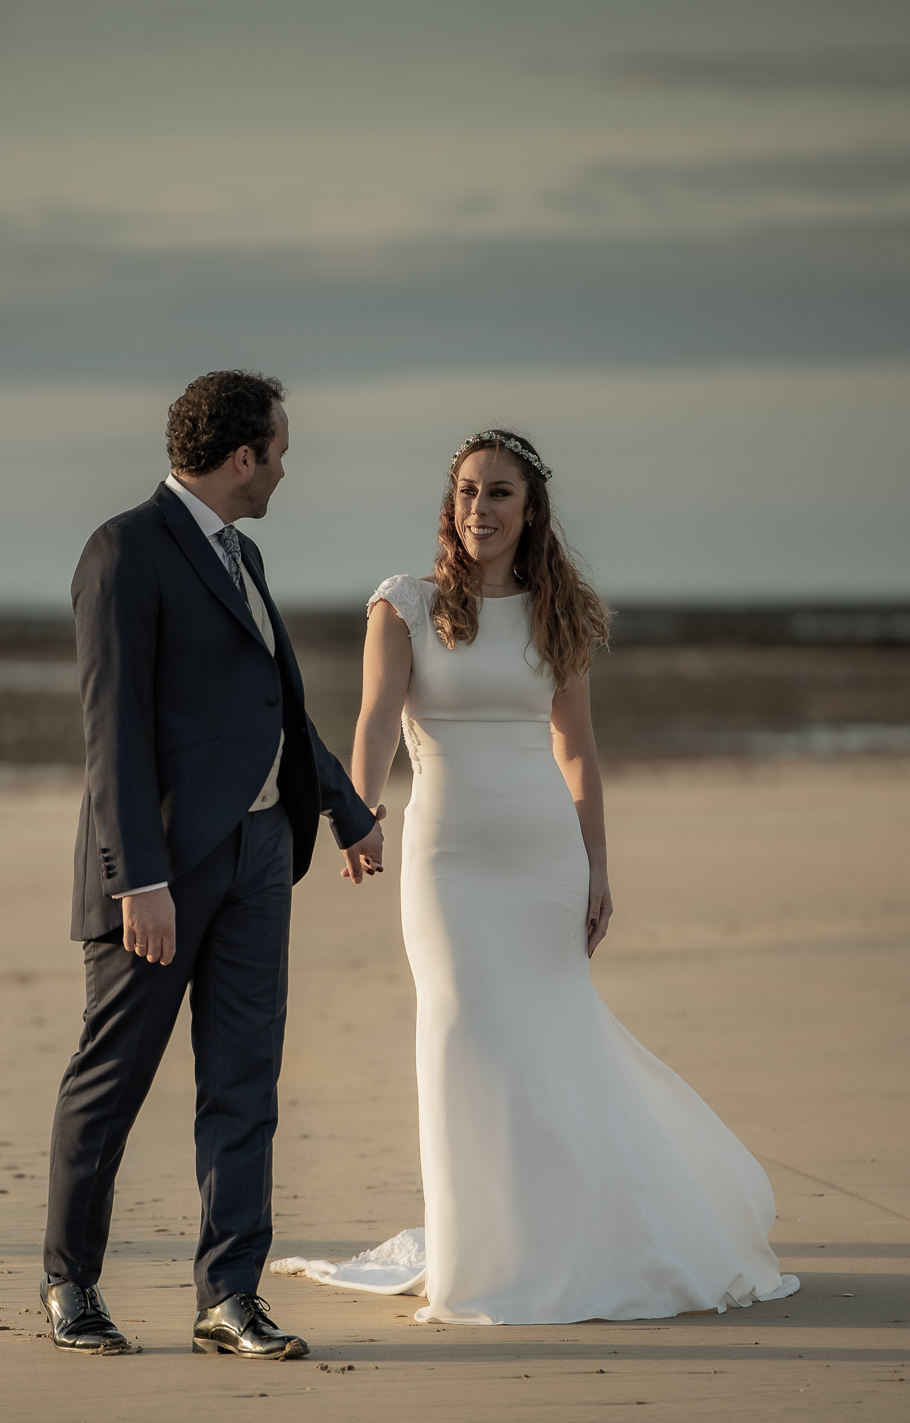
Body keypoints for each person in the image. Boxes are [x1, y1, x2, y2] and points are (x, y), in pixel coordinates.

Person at [273, 427, 798, 1323]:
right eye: (469, 491)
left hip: (544, 855)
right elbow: (372, 722)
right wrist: (356, 813)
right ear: (452, 505)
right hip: (445, 855)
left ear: (531, 509)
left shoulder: (562, 610)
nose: (481, 507)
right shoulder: (404, 604)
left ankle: (565, 1234)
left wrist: (598, 865)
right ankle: (481, 1250)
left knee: (552, 1039)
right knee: (461, 1033)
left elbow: (578, 749)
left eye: (500, 492)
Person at [42, 370, 384, 1358]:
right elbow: (113, 734)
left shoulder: (247, 555)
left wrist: (348, 809)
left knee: (246, 1082)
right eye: (279, 450)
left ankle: (228, 1295)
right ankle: (71, 1285)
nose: (284, 467)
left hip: (260, 859)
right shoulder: (123, 552)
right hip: (159, 875)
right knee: (111, 1081)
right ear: (244, 456)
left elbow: (275, 710)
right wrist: (134, 878)